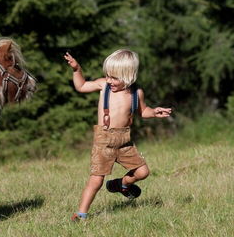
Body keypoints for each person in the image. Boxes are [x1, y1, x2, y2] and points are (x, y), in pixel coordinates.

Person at [63, 49, 172, 221]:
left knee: (143, 172)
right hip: (103, 141)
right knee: (96, 181)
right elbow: (81, 86)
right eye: (108, 75)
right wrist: (77, 70)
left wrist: (154, 112)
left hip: (125, 141)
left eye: (114, 77)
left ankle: (121, 184)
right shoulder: (103, 86)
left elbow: (143, 111)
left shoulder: (137, 93)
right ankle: (81, 214)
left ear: (129, 76)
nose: (109, 80)